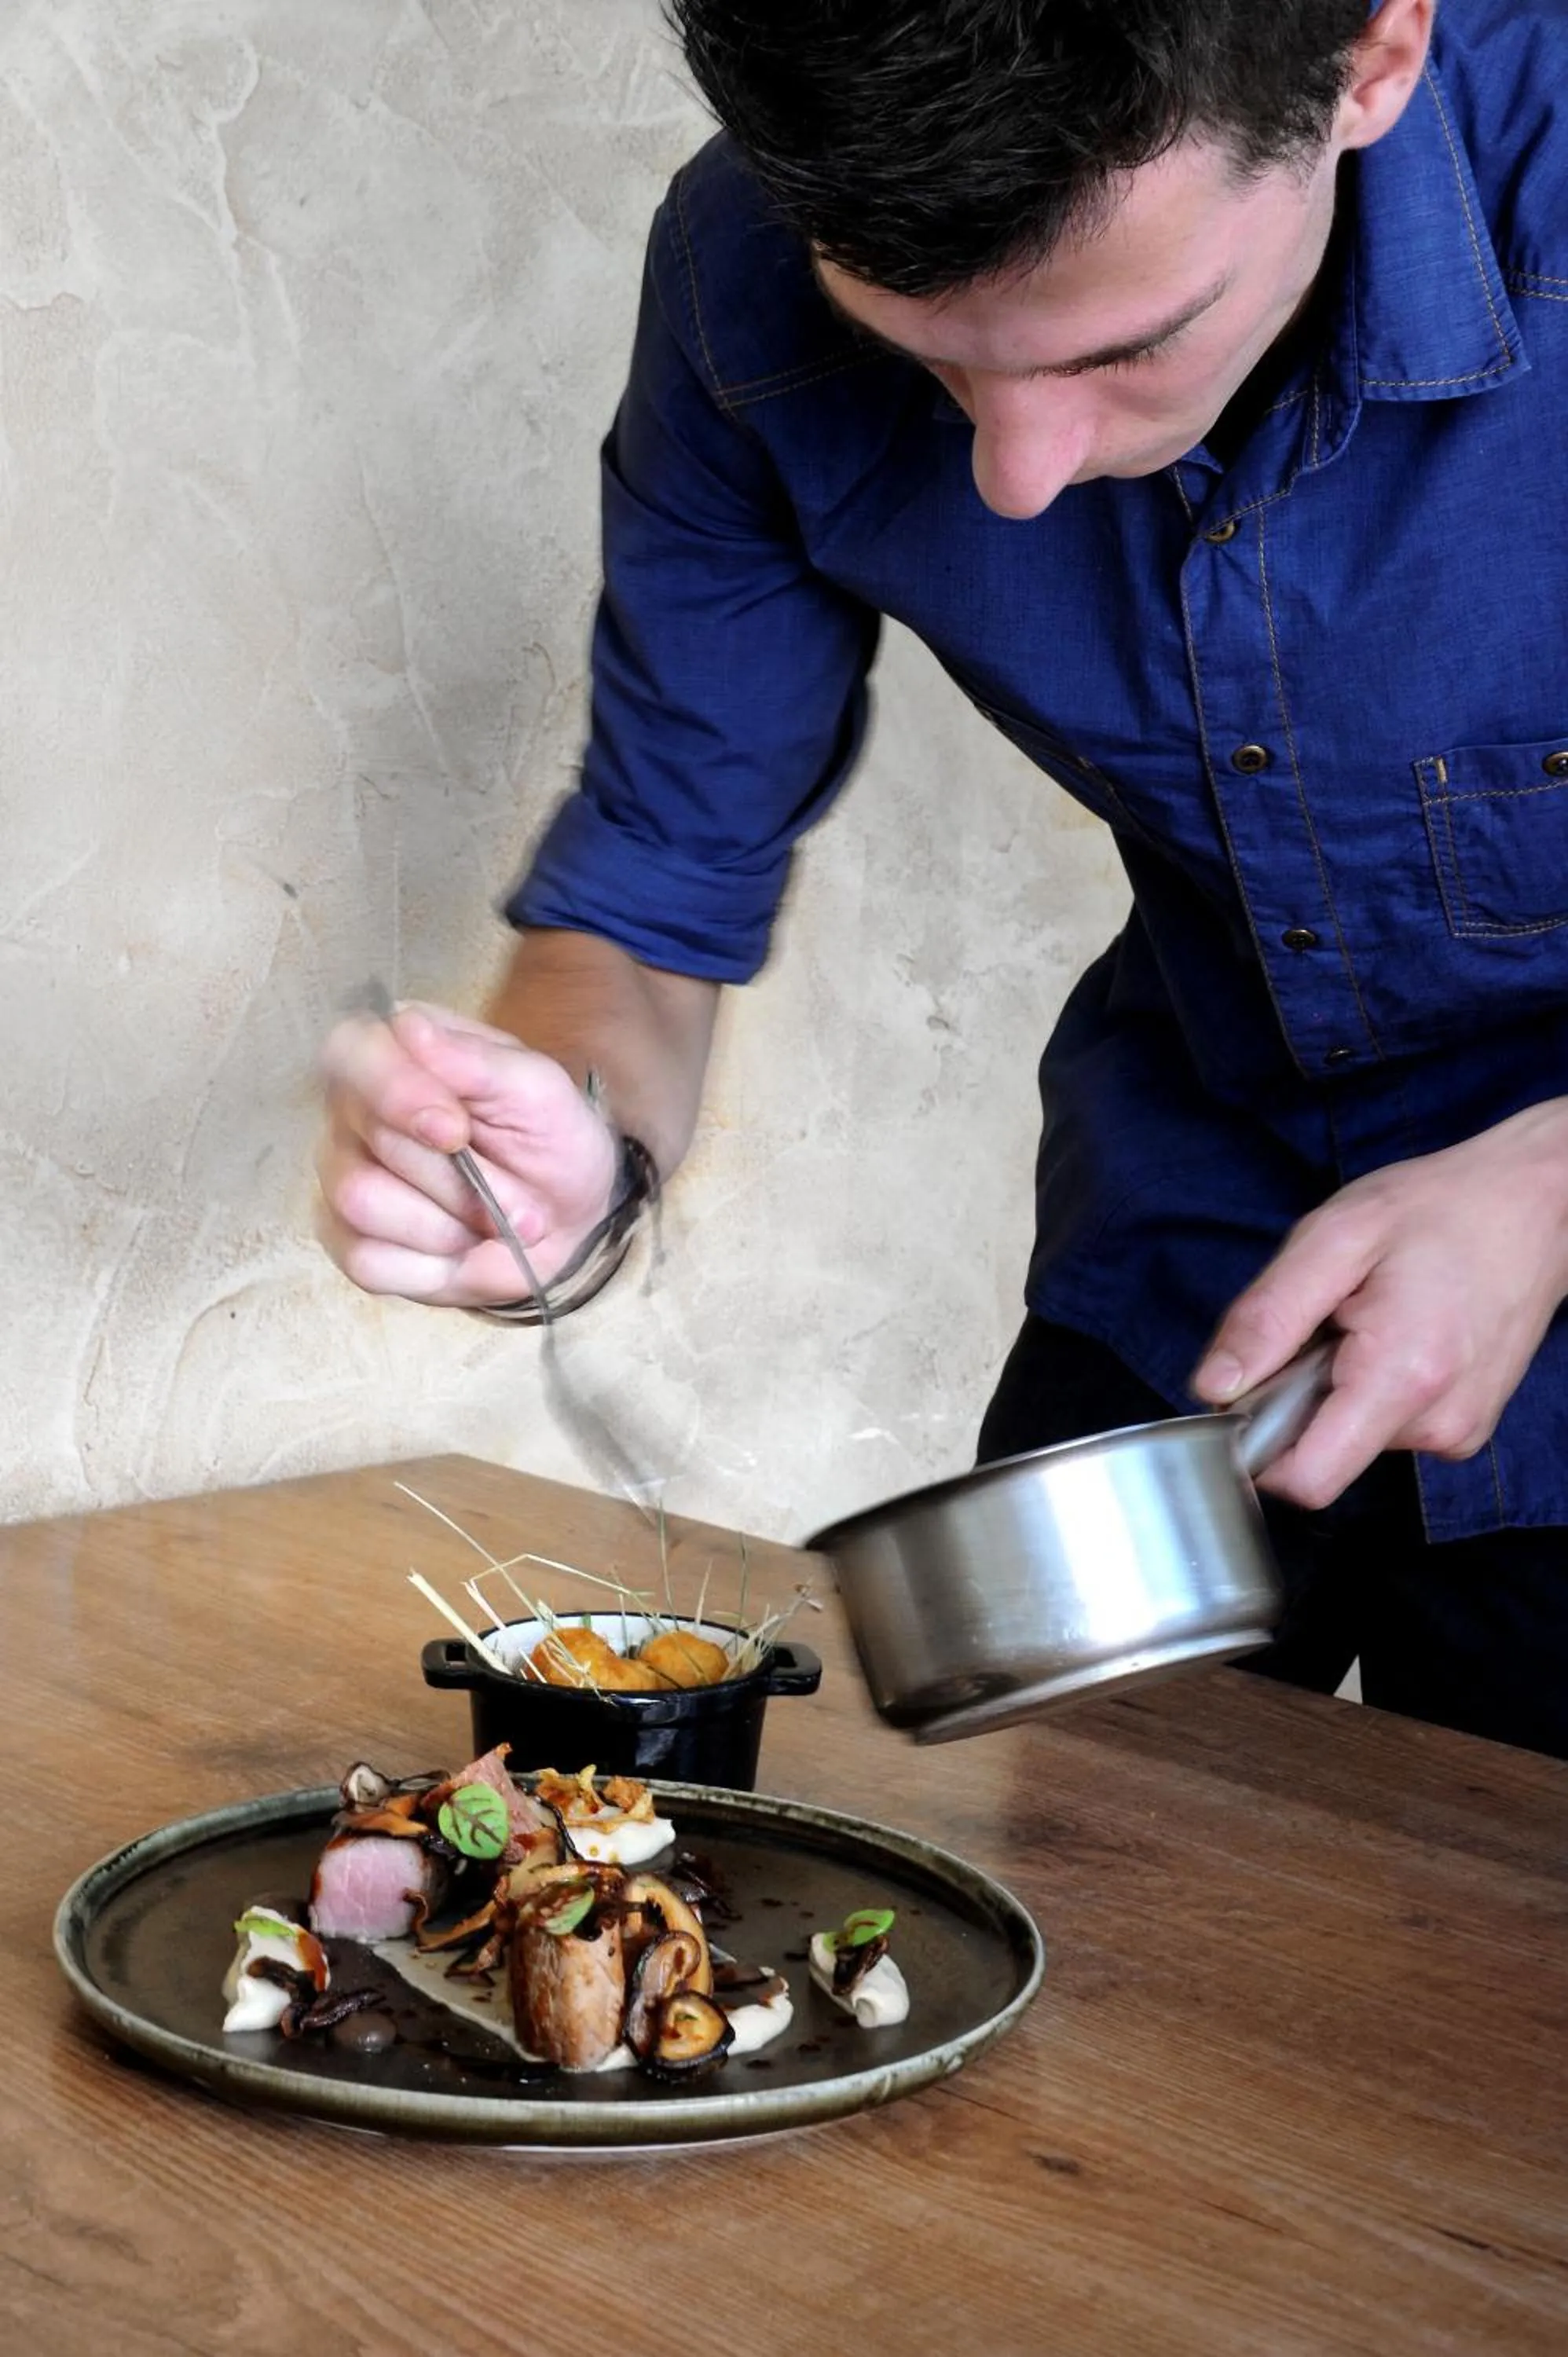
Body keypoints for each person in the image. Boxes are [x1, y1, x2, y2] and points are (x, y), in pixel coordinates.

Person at [318, 0, 1568, 1758]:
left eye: (1123, 346)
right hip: (1184, 1284)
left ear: (1369, 59)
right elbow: (650, 897)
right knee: (1087, 1964)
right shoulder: (740, 281)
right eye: (923, 359)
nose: (1016, 470)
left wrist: (1539, 1185)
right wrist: (565, 1148)